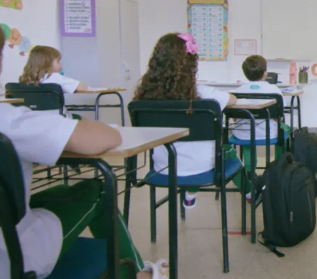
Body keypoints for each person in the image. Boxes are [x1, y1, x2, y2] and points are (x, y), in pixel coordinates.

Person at [0, 30, 168, 279]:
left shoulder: (17, 89)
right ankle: (137, 273)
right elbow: (105, 136)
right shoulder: (9, 120)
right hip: (10, 259)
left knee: (56, 193)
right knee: (101, 188)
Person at [133, 33, 237, 209]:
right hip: (203, 167)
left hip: (162, 167)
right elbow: (232, 100)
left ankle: (189, 195)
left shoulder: (143, 100)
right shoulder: (205, 95)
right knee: (229, 152)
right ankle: (250, 192)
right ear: (190, 65)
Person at [230, 55, 289, 199]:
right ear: (265, 74)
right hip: (269, 134)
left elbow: (235, 116)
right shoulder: (274, 90)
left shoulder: (238, 91)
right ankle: (279, 168)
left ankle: (250, 171)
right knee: (285, 130)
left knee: (249, 136)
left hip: (242, 135)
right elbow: (279, 116)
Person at [20, 45, 89, 93]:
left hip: (29, 114)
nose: (61, 64)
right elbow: (83, 88)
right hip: (54, 114)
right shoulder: (55, 78)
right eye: (58, 61)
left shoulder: (25, 79)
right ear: (47, 63)